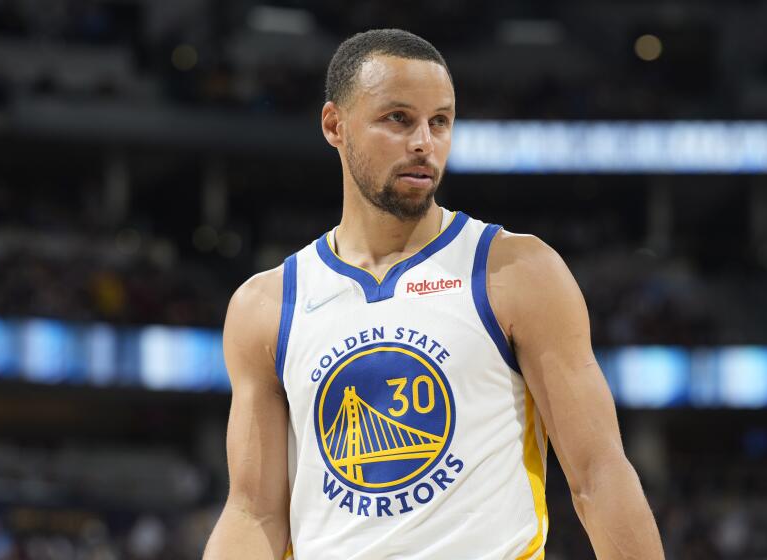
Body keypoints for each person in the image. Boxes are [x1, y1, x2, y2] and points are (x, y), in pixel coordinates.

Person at [204, 28, 664, 560]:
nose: (424, 141)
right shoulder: (267, 304)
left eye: (439, 121)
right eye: (398, 119)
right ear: (335, 124)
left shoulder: (516, 271)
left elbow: (599, 475)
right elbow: (253, 512)